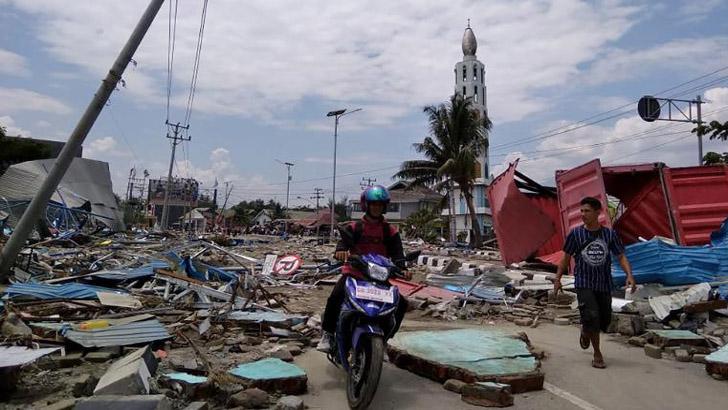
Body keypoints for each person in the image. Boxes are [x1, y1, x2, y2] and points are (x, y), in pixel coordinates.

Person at [316, 185, 409, 353]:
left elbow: (398, 255)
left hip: (379, 277)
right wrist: (341, 252)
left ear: (384, 207)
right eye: (373, 204)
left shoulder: (390, 231)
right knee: (336, 296)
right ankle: (328, 334)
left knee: (401, 304)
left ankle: (385, 340)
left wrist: (403, 268)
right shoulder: (354, 227)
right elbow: (342, 244)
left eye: (380, 205)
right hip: (355, 273)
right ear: (366, 205)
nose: (376, 207)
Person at [554, 196, 636, 369]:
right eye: (581, 211)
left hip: (604, 283)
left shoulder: (609, 234)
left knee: (604, 320)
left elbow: (620, 256)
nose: (583, 214)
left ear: (598, 212)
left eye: (587, 211)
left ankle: (586, 330)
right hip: (584, 282)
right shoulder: (576, 234)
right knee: (592, 316)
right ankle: (597, 353)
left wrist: (629, 275)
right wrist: (557, 278)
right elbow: (566, 258)